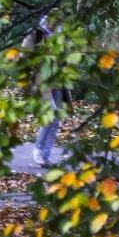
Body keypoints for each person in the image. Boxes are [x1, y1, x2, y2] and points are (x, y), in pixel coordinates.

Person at [23, 15, 72, 167]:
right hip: (42, 81)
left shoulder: (61, 34)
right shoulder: (36, 34)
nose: (56, 22)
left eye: (58, 20)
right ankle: (38, 150)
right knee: (50, 114)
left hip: (58, 81)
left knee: (56, 118)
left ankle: (45, 155)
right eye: (54, 20)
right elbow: (24, 56)